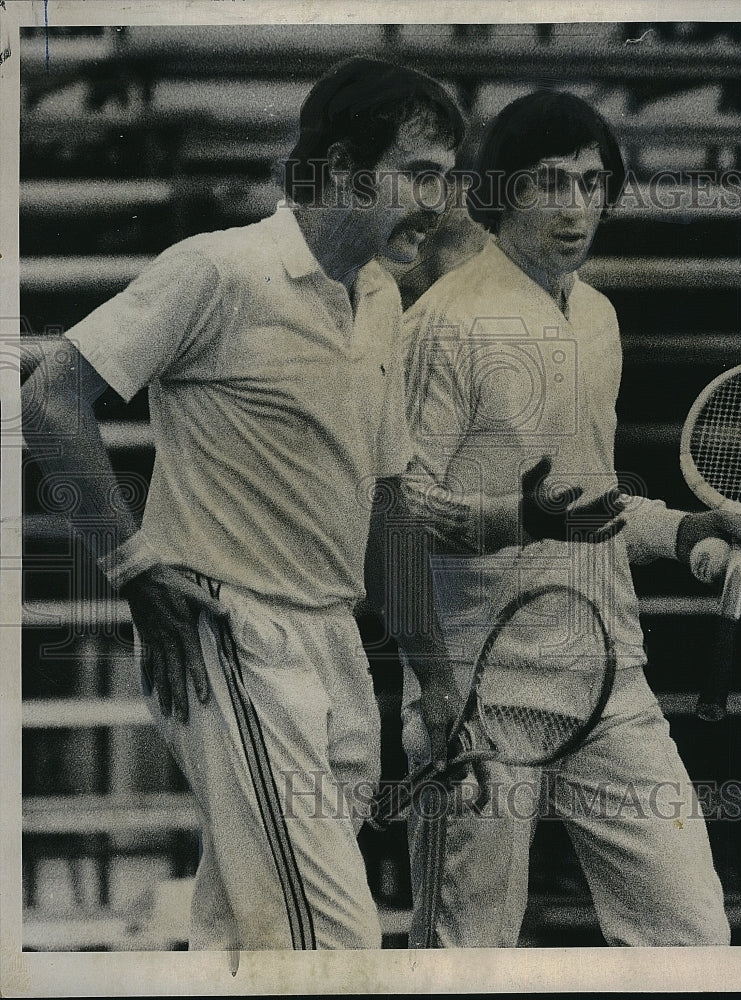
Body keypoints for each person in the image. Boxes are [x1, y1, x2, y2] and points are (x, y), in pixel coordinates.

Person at [20, 57, 482, 952]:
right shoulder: (217, 272)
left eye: (450, 178)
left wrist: (435, 675)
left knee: (245, 930)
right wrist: (133, 565)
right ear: (346, 169)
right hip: (231, 641)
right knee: (333, 944)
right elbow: (49, 401)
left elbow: (385, 499)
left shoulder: (382, 294)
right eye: (422, 173)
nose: (442, 202)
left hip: (335, 647)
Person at [397, 89, 741, 948]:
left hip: (608, 680)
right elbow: (395, 515)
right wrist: (517, 520)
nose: (575, 207)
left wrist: (688, 534)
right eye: (549, 182)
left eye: (590, 182)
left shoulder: (598, 317)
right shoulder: (443, 323)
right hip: (478, 694)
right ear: (500, 193)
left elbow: (592, 502)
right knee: (465, 959)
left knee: (689, 937)